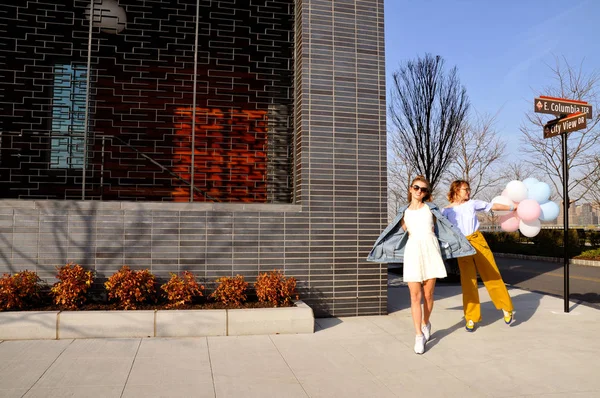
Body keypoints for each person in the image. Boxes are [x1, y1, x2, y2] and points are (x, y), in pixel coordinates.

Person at [367, 176, 475, 354]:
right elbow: (395, 235)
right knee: (415, 297)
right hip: (412, 253)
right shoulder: (404, 213)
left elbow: (446, 228)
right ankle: (418, 335)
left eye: (423, 189)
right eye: (416, 188)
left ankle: (426, 323)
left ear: (426, 193)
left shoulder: (431, 210)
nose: (419, 191)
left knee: (429, 295)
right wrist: (383, 249)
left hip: (431, 251)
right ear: (410, 189)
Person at [442, 180, 515, 332]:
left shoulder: (472, 204)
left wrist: (513, 207)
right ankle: (471, 317)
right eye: (465, 189)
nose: (468, 192)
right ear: (456, 190)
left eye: (469, 189)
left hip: (477, 240)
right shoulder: (446, 211)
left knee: (491, 274)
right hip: (462, 246)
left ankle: (506, 308)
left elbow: (492, 206)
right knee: (468, 282)